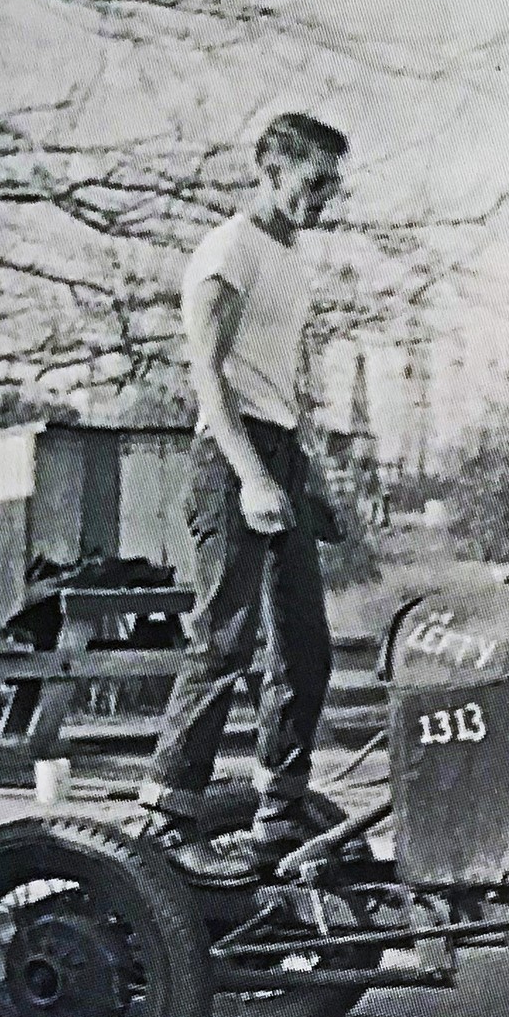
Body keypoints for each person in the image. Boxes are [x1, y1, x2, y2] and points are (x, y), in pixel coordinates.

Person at [137, 112, 350, 886]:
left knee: (305, 646)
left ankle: (278, 810)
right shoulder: (228, 250)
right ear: (271, 167)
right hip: (230, 458)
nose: (327, 198)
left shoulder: (291, 257)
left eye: (335, 184)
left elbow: (279, 382)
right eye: (315, 181)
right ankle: (165, 814)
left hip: (277, 450)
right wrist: (254, 477)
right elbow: (210, 375)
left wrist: (303, 475)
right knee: (224, 639)